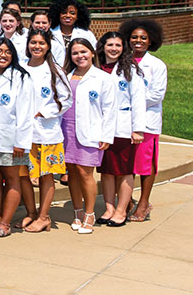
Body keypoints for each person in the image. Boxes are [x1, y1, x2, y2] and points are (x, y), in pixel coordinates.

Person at [0, 38, 34, 238]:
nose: (3, 55)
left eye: (7, 52)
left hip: (11, 139)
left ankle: (5, 223)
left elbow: (26, 112)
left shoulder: (20, 77)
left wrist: (21, 141)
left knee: (12, 179)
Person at [19, 29, 71, 233]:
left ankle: (44, 216)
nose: (36, 47)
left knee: (46, 175)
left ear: (48, 46)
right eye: (33, 43)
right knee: (23, 174)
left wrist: (44, 112)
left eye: (41, 43)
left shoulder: (55, 70)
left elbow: (66, 99)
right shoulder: (21, 67)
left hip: (47, 133)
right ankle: (31, 212)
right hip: (23, 133)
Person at [62, 39, 115, 234]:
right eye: (75, 53)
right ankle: (77, 212)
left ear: (92, 53)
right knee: (72, 173)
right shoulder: (66, 77)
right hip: (66, 131)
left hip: (90, 131)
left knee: (85, 173)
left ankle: (90, 213)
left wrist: (106, 135)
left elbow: (110, 110)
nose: (80, 56)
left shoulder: (102, 78)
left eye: (83, 52)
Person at [95, 31, 146, 227]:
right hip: (101, 127)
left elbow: (139, 100)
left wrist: (138, 129)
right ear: (103, 47)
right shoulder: (96, 67)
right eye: (110, 45)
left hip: (123, 127)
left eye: (117, 45)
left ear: (123, 48)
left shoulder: (130, 69)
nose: (113, 49)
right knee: (106, 171)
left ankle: (121, 210)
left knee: (124, 170)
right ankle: (108, 208)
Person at [122, 18, 167, 223]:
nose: (138, 41)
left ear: (151, 41)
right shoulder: (122, 61)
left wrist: (132, 102)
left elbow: (156, 95)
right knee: (125, 163)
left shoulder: (157, 65)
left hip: (147, 122)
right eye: (134, 37)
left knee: (145, 164)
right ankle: (127, 201)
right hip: (123, 122)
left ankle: (143, 202)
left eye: (143, 38)